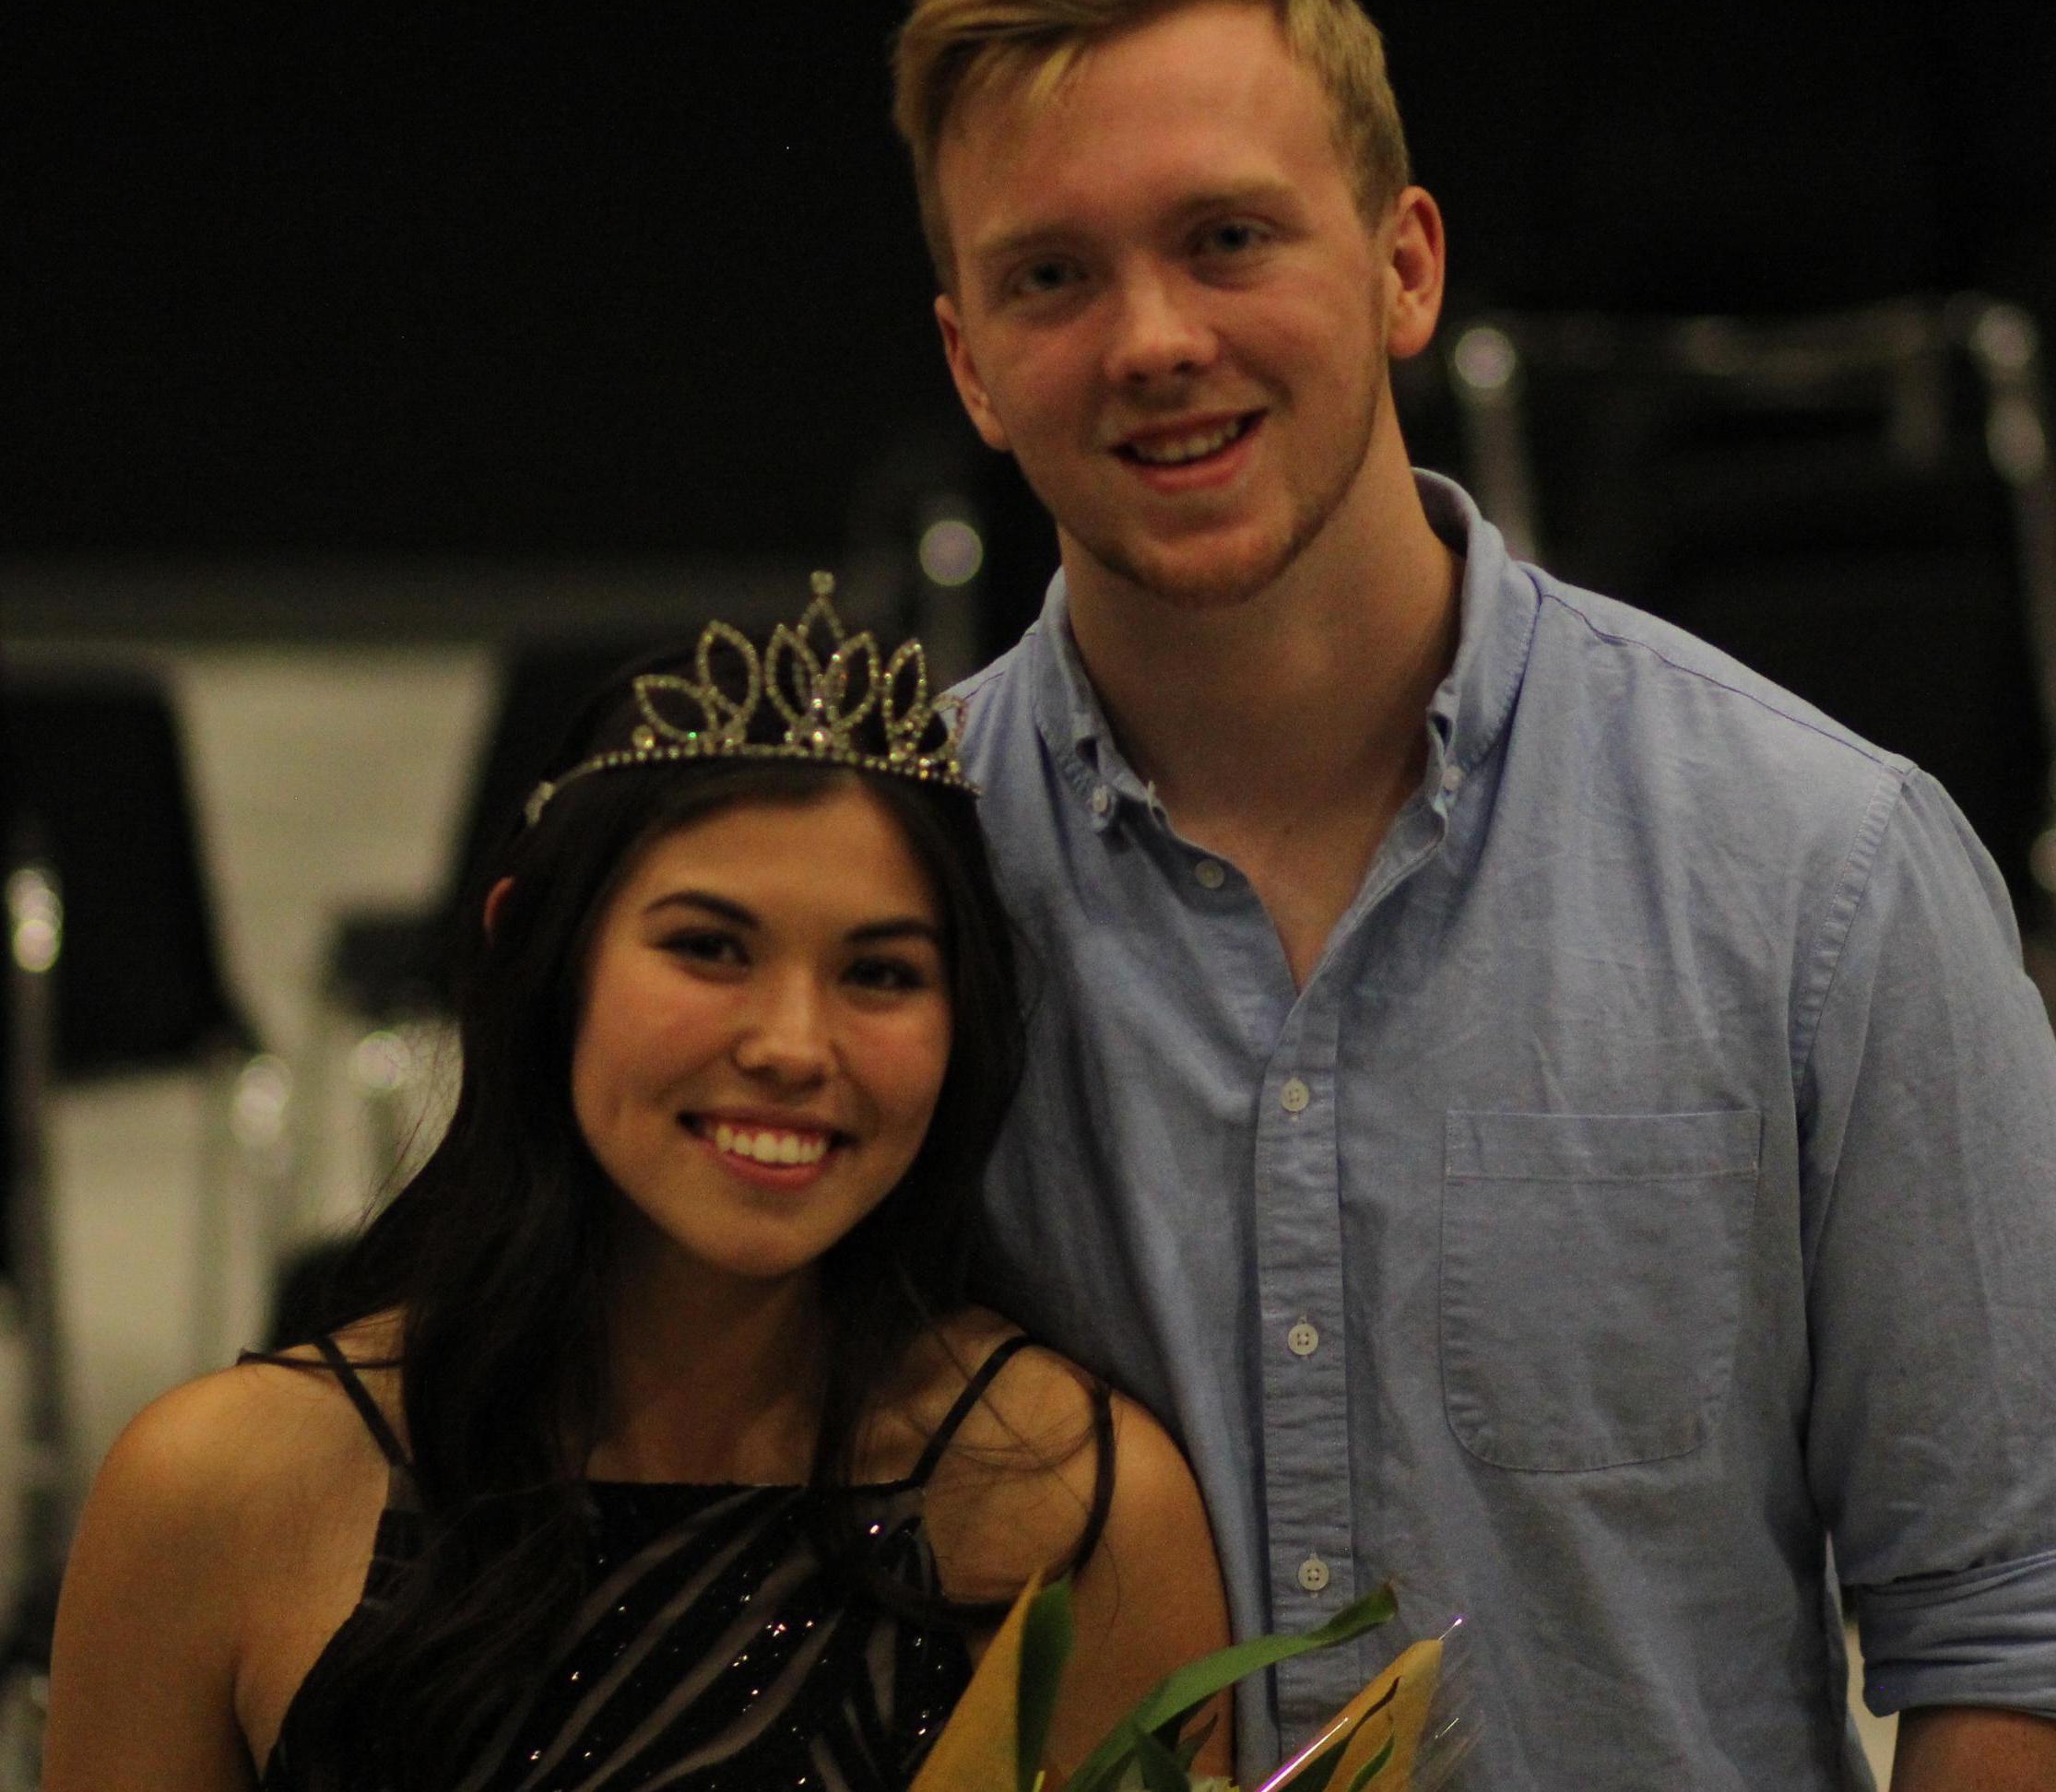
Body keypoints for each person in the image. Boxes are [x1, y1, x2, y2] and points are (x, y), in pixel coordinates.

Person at [891, 0, 2056, 1789]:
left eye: (1226, 240)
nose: (1150, 338)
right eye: (1049, 278)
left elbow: (2024, 1637)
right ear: (969, 363)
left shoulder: (1823, 871)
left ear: (1401, 266)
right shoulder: (884, 903)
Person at [40, 579, 1231, 1791]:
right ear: (536, 956)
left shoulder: (1073, 1513)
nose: (791, 1044)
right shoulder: (216, 1494)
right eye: (709, 948)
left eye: (879, 972)